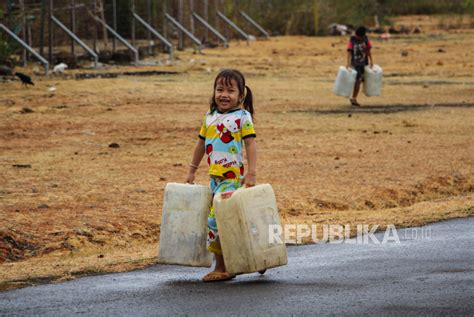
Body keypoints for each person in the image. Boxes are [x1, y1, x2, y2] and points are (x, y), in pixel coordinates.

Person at [186, 69, 257, 282]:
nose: (224, 95)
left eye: (230, 90)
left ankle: (223, 268)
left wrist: (251, 173)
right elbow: (200, 144)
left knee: (216, 221)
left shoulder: (242, 117)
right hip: (214, 180)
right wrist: (191, 170)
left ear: (240, 96)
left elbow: (251, 144)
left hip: (232, 180)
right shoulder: (209, 118)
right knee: (233, 222)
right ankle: (257, 255)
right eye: (219, 89)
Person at [346, 26, 374, 106]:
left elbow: (368, 50)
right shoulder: (352, 39)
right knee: (358, 80)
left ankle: (354, 97)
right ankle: (354, 98)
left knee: (360, 80)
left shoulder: (365, 39)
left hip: (364, 63)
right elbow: (349, 52)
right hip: (355, 63)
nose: (357, 37)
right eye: (356, 35)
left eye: (358, 36)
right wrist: (348, 63)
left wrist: (371, 60)